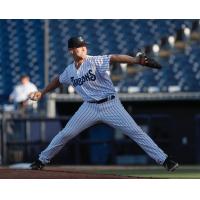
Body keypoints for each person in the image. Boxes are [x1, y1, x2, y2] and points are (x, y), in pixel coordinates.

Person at [29, 36, 178, 171]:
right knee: (65, 134)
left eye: (84, 46)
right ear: (71, 50)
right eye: (79, 46)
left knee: (136, 132)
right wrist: (42, 92)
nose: (83, 48)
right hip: (89, 107)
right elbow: (58, 79)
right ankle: (41, 160)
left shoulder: (94, 61)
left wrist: (134, 60)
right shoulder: (69, 71)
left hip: (110, 104)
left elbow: (114, 57)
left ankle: (165, 160)